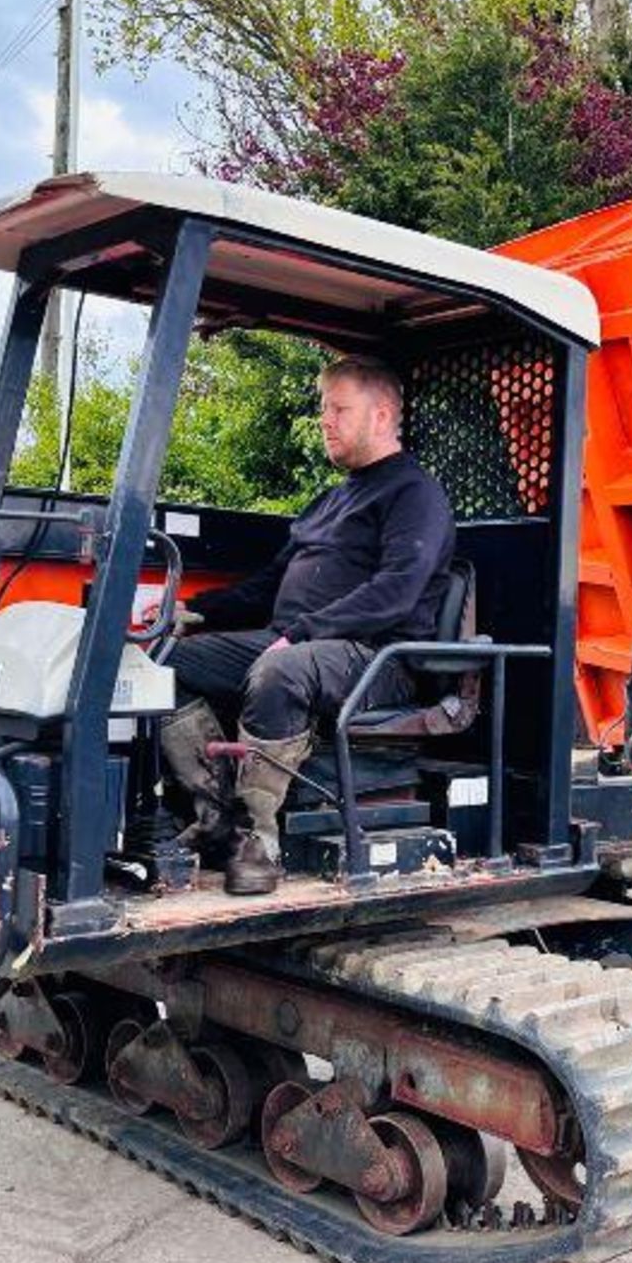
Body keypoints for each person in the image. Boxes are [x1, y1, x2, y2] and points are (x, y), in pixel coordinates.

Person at [158, 355, 456, 895]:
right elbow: (268, 586)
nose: (326, 421)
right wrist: (194, 611)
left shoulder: (415, 494)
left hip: (375, 659)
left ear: (383, 415)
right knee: (160, 661)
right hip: (298, 643)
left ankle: (259, 840)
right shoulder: (329, 500)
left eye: (340, 409)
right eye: (324, 410)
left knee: (282, 671)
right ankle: (214, 812)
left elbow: (396, 592)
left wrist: (300, 633)